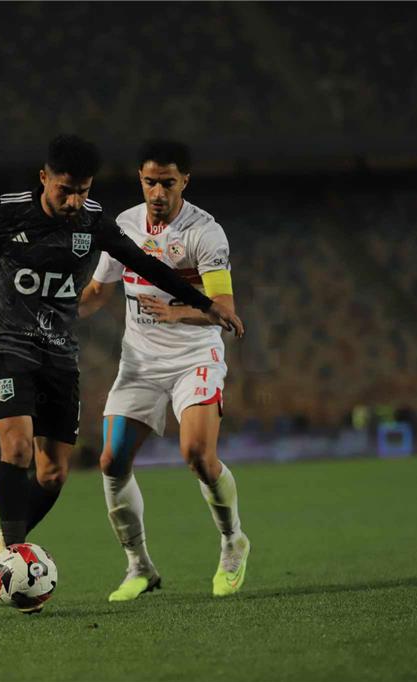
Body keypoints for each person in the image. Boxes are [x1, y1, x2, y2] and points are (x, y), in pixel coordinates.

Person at [0, 135, 241, 611]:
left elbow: (146, 265)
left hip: (61, 357)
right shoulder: (8, 212)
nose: (73, 202)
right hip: (10, 345)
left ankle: (14, 544)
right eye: (65, 190)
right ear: (44, 178)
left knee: (52, 473)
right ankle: (14, 551)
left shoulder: (95, 221)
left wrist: (204, 304)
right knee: (18, 448)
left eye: (82, 191)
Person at [79, 139, 250, 601]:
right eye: (150, 182)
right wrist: (53, 311)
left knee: (197, 455)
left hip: (195, 357)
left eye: (168, 183)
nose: (158, 192)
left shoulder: (205, 233)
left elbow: (224, 309)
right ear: (140, 178)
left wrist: (179, 313)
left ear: (184, 182)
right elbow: (97, 293)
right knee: (112, 461)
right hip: (140, 361)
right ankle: (140, 566)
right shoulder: (123, 226)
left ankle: (232, 541)